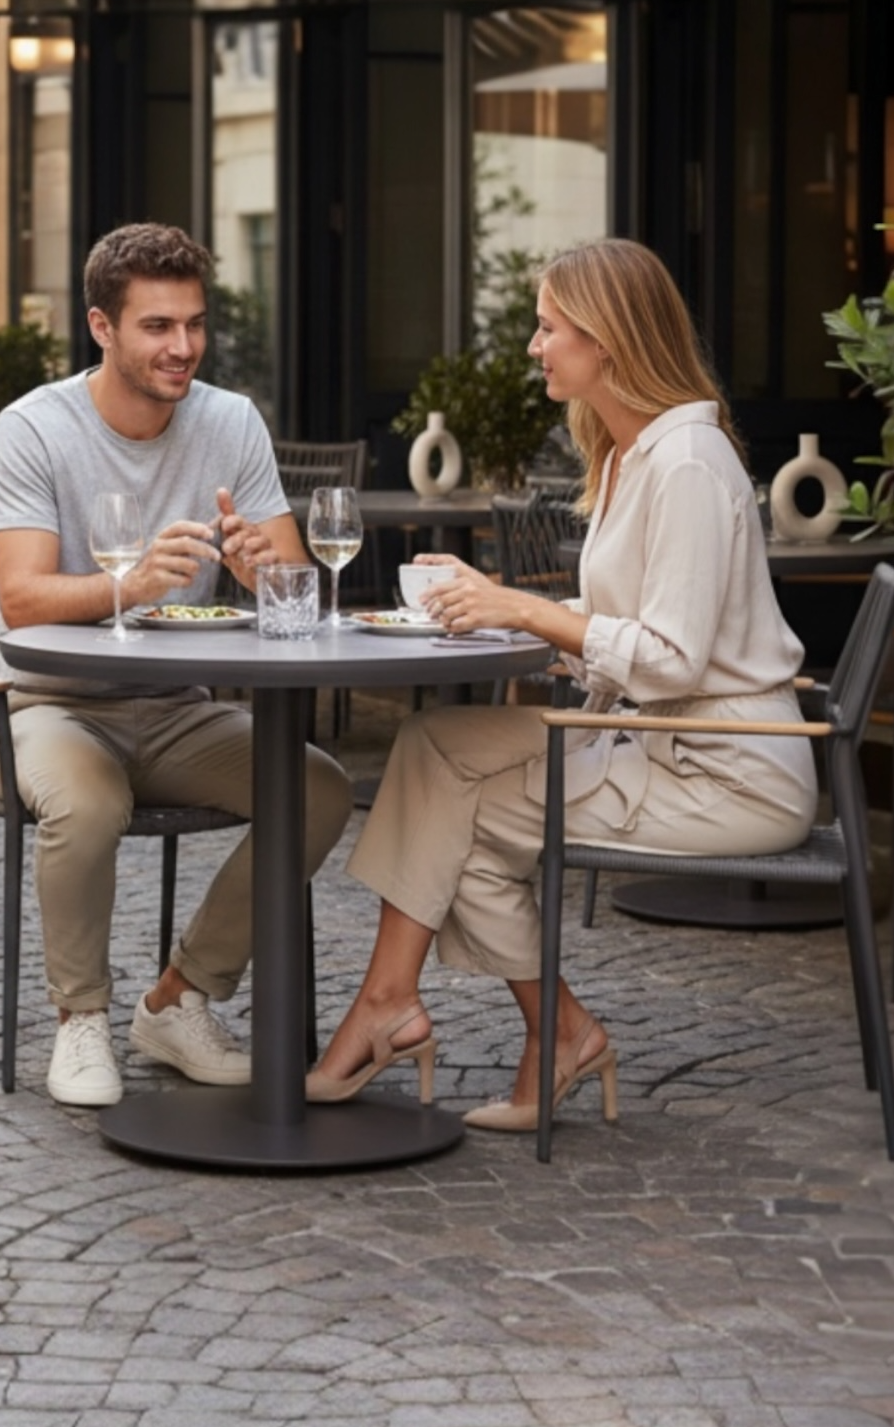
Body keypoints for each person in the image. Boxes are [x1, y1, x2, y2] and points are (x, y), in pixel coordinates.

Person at [308, 236, 816, 1130]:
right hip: (658, 744)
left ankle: (479, 1021)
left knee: (455, 817)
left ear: (608, 338)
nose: (535, 347)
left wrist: (532, 612)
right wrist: (502, 611)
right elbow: (624, 627)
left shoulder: (692, 461)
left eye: (549, 328)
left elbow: (671, 660)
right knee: (431, 746)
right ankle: (456, 1014)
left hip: (731, 770)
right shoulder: (630, 454)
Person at [0, 221, 352, 1108]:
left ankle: (178, 1000)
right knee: (88, 800)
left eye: (193, 324)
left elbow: (295, 587)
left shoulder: (230, 423)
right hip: (39, 704)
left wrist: (267, 568)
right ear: (102, 328)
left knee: (320, 789)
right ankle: (80, 1021)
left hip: (177, 707)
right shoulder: (33, 428)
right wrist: (135, 580)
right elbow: (22, 597)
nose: (182, 347)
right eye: (157, 327)